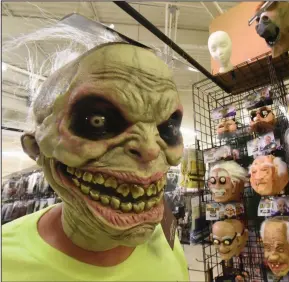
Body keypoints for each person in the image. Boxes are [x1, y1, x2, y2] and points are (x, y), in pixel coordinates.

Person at [2, 17, 189, 281]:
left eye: (167, 127)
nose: (149, 148)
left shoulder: (165, 236)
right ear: (35, 148)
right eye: (97, 121)